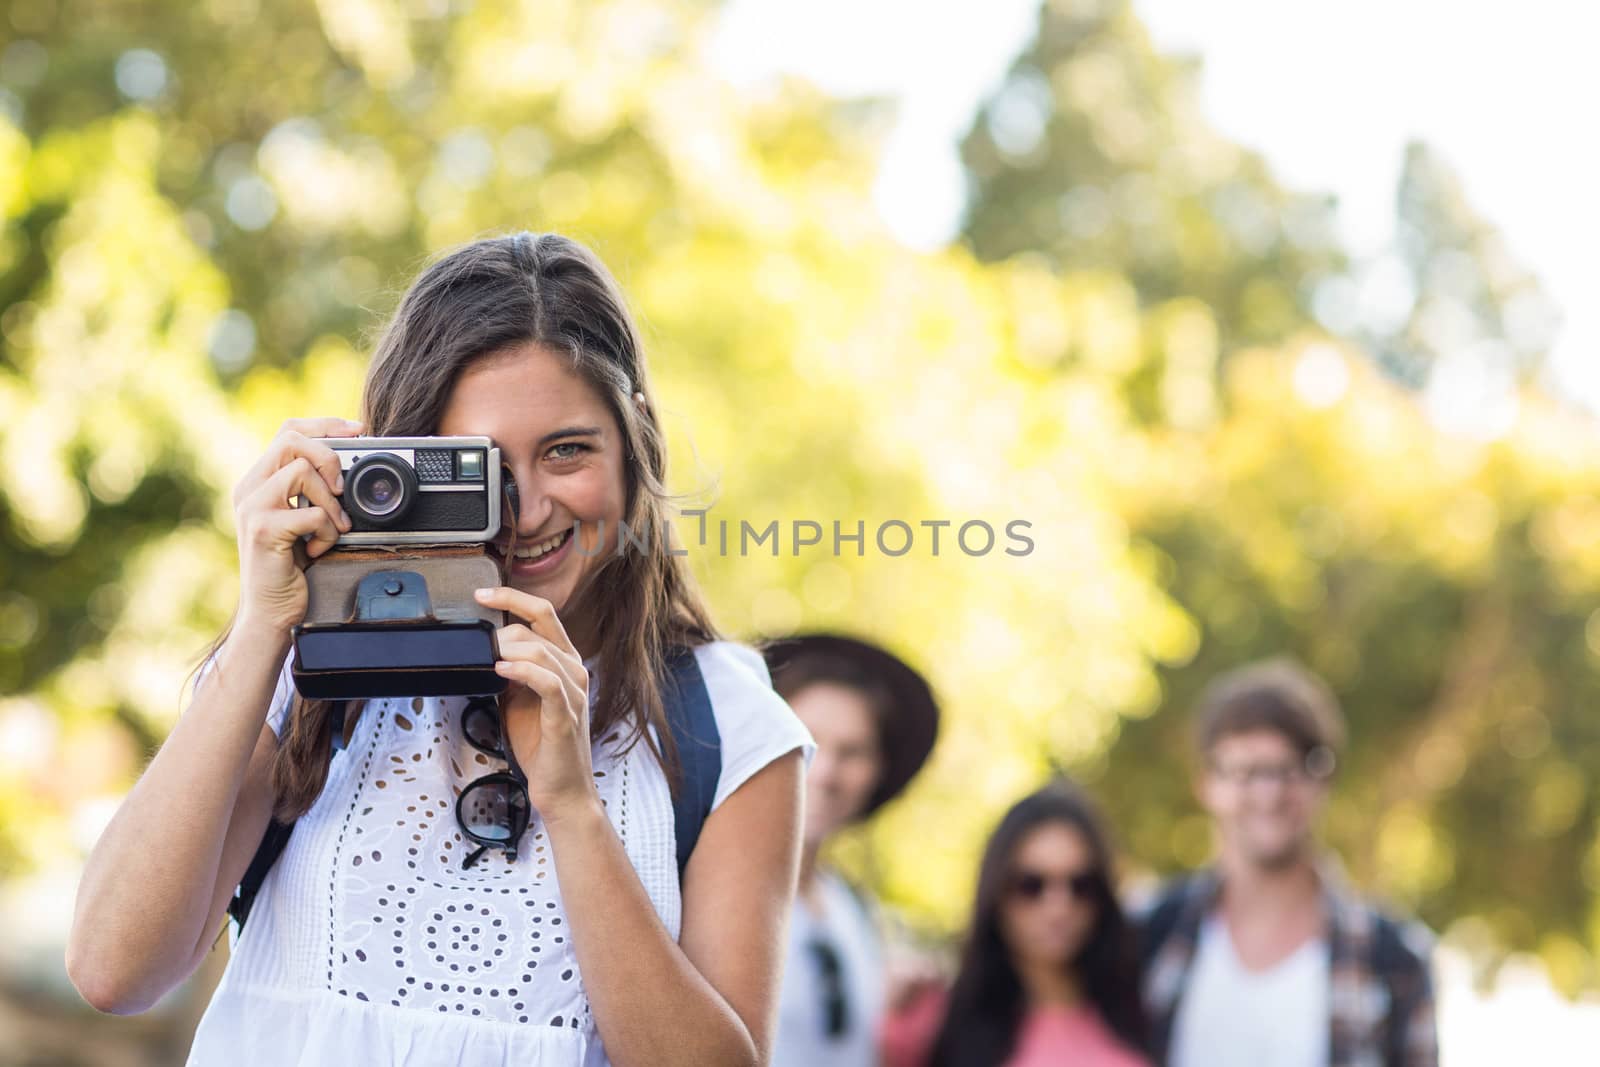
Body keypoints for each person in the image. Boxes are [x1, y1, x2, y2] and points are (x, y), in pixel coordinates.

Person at [66, 232, 815, 1067]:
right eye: (479, 466)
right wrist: (260, 631)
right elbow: (112, 969)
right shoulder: (306, 669)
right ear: (399, 462)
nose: (525, 510)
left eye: (568, 450)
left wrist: (571, 803)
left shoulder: (723, 721)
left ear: (634, 442)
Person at [1136, 658, 1437, 1067]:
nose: (1269, 795)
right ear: (1206, 784)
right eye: (1246, 772)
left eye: (1288, 770)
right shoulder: (1146, 934)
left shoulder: (1394, 957)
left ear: (1323, 781)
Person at [761, 633, 940, 1067]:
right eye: (807, 741)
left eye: (853, 751)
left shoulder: (852, 910)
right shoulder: (705, 889)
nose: (826, 772)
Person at [882, 780, 1149, 1067]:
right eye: (1031, 886)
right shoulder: (930, 1023)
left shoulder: (1142, 1008)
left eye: (1080, 885)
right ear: (997, 891)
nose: (1058, 908)